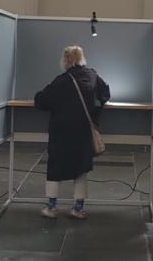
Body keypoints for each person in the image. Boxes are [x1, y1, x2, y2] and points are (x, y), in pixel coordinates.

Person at [34, 45, 110, 220]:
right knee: (81, 168)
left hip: (61, 132)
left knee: (55, 166)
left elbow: (42, 100)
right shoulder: (92, 75)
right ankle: (78, 208)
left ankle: (51, 207)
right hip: (84, 131)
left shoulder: (61, 80)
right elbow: (105, 94)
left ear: (66, 60)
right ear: (82, 58)